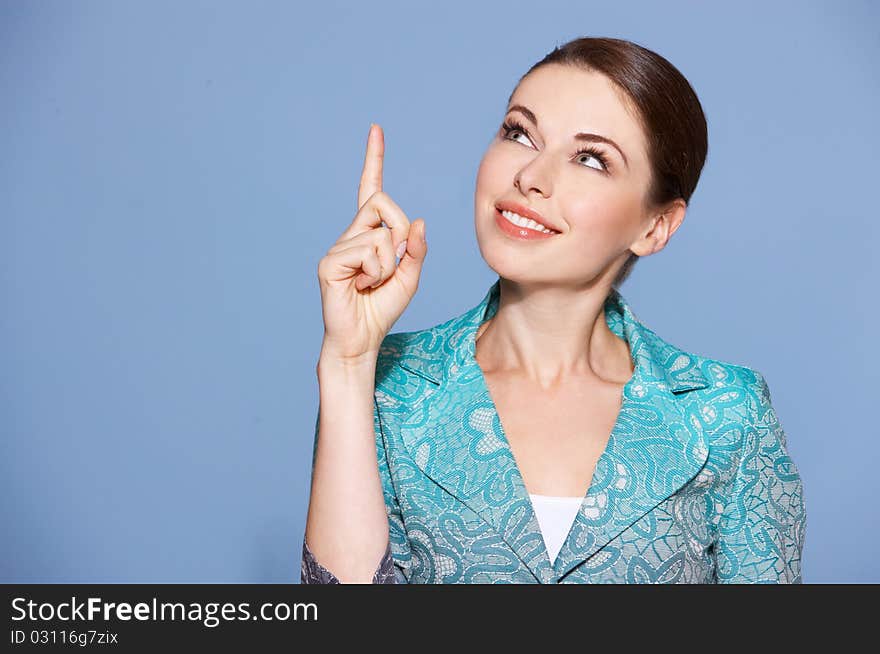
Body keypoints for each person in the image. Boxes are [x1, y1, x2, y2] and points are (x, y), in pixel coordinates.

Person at [300, 36, 807, 584]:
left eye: (591, 159)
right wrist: (348, 364)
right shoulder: (388, 388)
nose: (530, 177)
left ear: (655, 226)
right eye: (519, 133)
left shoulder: (727, 414)